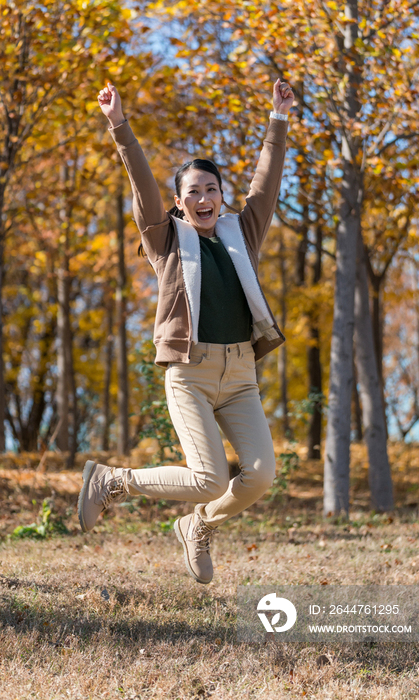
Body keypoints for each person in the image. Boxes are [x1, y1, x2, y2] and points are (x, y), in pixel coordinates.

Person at [78, 78, 294, 584]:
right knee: (209, 477)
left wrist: (278, 119)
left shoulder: (244, 232)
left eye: (211, 189)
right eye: (192, 191)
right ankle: (113, 480)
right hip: (190, 373)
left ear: (221, 197)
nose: (203, 198)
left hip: (239, 374)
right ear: (179, 202)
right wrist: (119, 125)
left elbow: (266, 184)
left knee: (260, 475)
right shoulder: (165, 239)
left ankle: (196, 524)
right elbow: (142, 185)